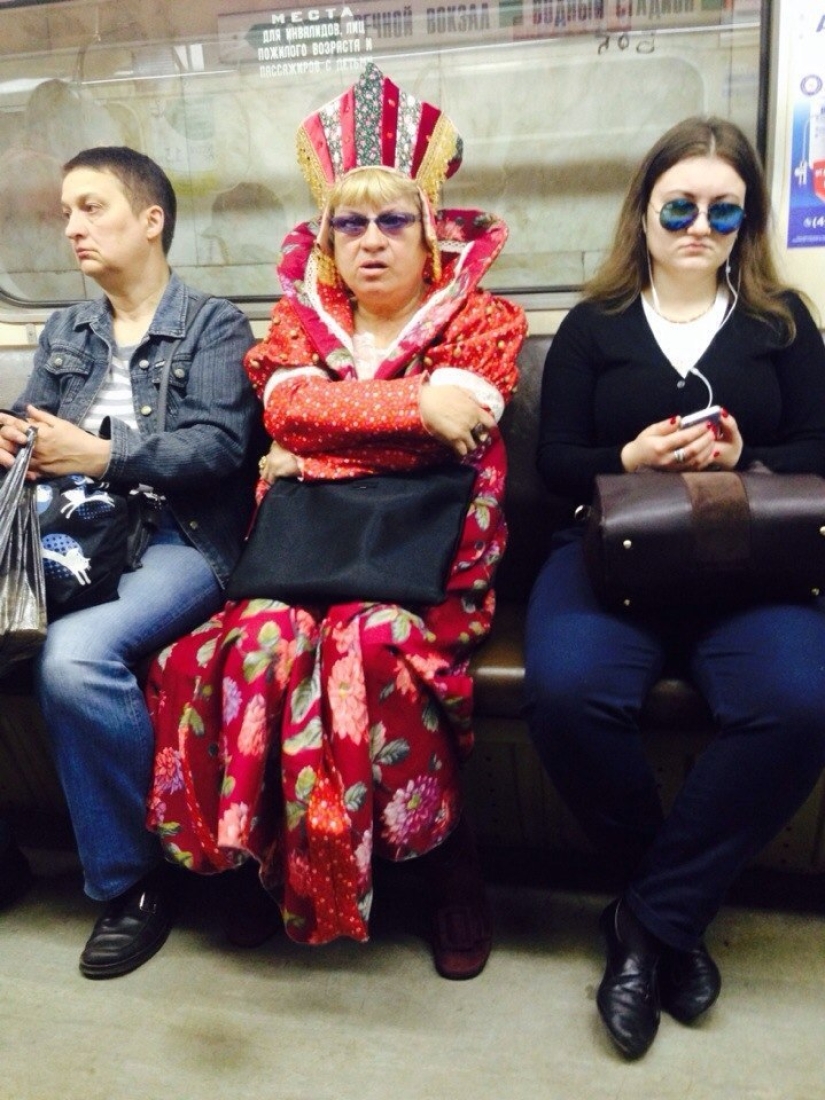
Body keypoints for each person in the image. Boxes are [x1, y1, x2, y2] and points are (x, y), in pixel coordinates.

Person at [145, 63, 527, 980]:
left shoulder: (485, 320)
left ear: (431, 228)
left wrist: (324, 445)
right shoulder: (292, 323)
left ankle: (445, 870)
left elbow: (459, 426)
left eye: (392, 219)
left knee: (372, 651)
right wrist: (404, 412)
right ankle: (261, 864)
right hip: (300, 559)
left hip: (427, 565)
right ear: (325, 237)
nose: (369, 240)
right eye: (347, 222)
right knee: (250, 647)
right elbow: (289, 415)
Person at [524, 117, 825, 1056]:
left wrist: (749, 457)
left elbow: (821, 449)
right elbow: (554, 461)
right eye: (680, 207)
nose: (700, 226)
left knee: (798, 703)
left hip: (751, 564)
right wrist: (630, 455)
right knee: (568, 696)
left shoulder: (781, 322)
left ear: (747, 220)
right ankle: (675, 916)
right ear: (644, 213)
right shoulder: (593, 324)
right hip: (609, 561)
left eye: (724, 210)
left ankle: (647, 925)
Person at [0, 147, 260, 978]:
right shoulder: (67, 329)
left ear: (151, 220)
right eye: (67, 213)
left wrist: (102, 457)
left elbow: (219, 449)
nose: (73, 227)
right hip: (64, 530)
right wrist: (13, 437)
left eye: (92, 207)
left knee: (73, 662)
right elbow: (26, 421)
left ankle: (133, 881)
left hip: (177, 539)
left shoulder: (213, 323)